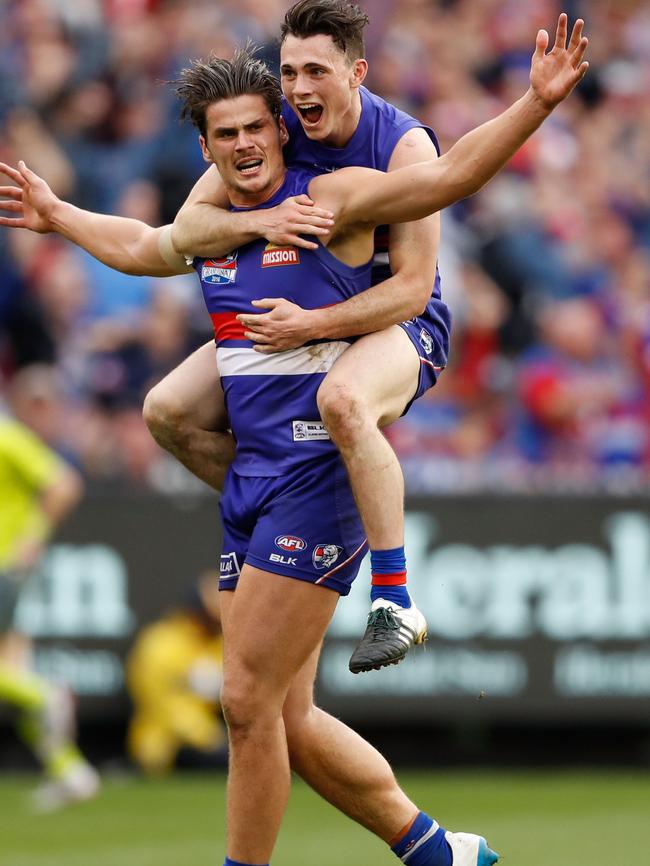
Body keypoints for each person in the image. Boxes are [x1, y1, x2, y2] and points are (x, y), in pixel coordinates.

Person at [0, 16, 588, 864]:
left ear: (281, 126)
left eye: (254, 126)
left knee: (243, 699)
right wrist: (59, 215)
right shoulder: (215, 223)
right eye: (225, 135)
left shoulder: (334, 198)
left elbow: (449, 183)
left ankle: (394, 596)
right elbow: (145, 245)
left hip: (315, 476)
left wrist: (534, 104)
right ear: (208, 150)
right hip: (257, 481)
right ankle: (439, 853)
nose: (244, 144)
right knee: (284, 715)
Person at [147, 0, 448, 674]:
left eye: (316, 70)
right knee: (166, 411)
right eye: (289, 73)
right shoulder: (272, 129)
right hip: (302, 321)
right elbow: (189, 228)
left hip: (395, 324)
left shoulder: (403, 146)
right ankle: (290, 504)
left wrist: (310, 324)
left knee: (341, 402)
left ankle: (395, 597)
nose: (301, 89)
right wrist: (262, 224)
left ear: (356, 73)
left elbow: (412, 290)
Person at [0, 365, 100, 811]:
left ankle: (47, 695)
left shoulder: (9, 439)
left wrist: (31, 538)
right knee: (9, 671)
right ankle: (69, 771)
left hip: (3, 567)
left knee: (14, 678)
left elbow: (64, 484)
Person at [126, 571, 226, 775]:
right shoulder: (161, 643)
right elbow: (162, 705)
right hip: (165, 744)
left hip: (213, 737)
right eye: (211, 618)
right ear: (194, 611)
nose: (218, 625)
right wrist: (208, 737)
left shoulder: (222, 645)